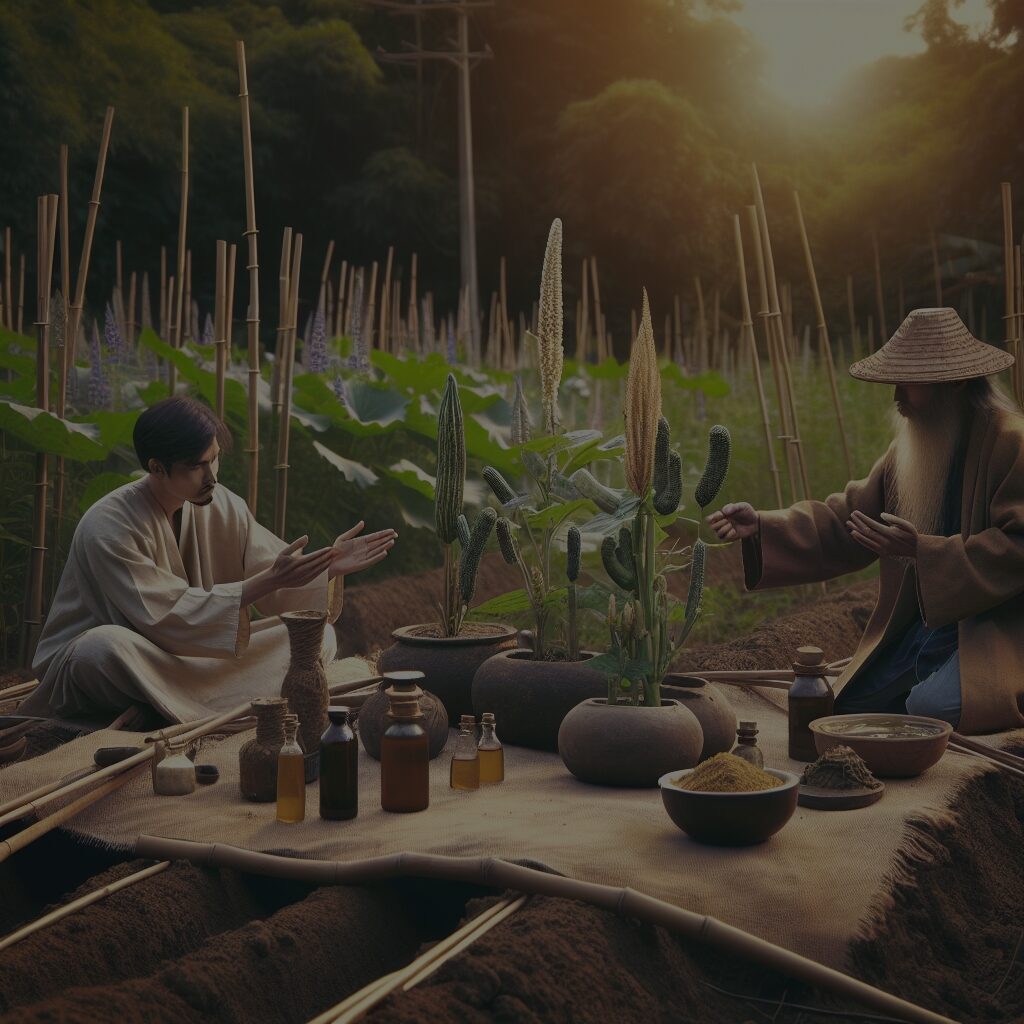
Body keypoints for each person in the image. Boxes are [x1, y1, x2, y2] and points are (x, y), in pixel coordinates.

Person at [707, 308, 1024, 735]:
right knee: (846, 708)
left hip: (996, 630)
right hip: (926, 627)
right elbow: (849, 519)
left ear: (956, 382)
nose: (897, 395)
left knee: (933, 707)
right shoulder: (914, 447)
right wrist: (763, 524)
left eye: (908, 382)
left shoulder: (1011, 442)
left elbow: (1017, 547)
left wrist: (923, 552)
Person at [21, 396, 398, 724]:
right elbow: (164, 616)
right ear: (156, 467)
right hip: (137, 658)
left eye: (214, 460)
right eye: (196, 466)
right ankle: (203, 699)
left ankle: (175, 703)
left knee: (315, 638)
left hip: (193, 663)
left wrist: (327, 565)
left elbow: (272, 568)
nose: (212, 477)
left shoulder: (221, 503)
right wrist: (267, 581)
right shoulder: (107, 527)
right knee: (100, 649)